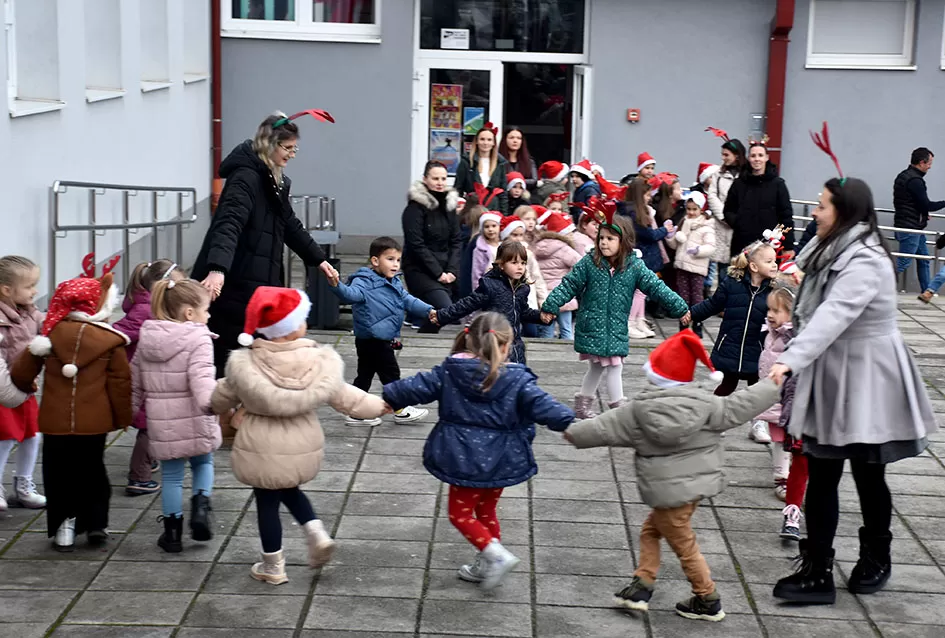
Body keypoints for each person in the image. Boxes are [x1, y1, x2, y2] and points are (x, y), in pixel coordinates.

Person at [770, 178, 937, 605]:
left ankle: (876, 558)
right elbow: (812, 295)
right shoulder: (828, 247)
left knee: (868, 474)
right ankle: (817, 572)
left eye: (823, 205)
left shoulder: (866, 259)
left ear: (843, 212)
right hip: (832, 372)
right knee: (823, 472)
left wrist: (792, 358)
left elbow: (835, 313)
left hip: (868, 377)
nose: (816, 212)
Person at [565, 330, 780, 622]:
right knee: (652, 530)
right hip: (696, 489)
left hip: (666, 493)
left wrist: (570, 432)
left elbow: (600, 428)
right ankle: (642, 584)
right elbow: (744, 403)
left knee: (683, 544)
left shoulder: (636, 412)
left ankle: (707, 598)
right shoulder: (710, 405)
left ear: (654, 375)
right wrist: (772, 383)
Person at [382, 312, 573, 591]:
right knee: (486, 509)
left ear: (468, 339)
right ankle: (486, 563)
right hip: (503, 459)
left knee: (460, 514)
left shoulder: (450, 372)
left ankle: (495, 556)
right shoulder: (518, 380)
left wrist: (390, 397)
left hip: (464, 459)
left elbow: (416, 387)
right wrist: (570, 424)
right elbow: (544, 406)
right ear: (506, 347)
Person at [211, 287, 388, 584]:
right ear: (295, 327)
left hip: (260, 444)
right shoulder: (318, 361)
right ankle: (316, 532)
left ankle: (273, 565)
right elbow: (347, 397)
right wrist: (381, 405)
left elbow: (221, 396)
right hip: (302, 441)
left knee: (267, 501)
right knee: (290, 488)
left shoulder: (246, 365)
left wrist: (209, 406)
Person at [191, 111, 339, 375]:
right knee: (229, 355)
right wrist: (217, 269)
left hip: (261, 279)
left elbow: (289, 224)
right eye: (287, 148)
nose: (292, 154)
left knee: (253, 354)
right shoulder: (245, 178)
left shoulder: (276, 180)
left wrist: (318, 259)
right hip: (237, 280)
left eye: (295, 149)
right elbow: (228, 224)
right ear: (269, 145)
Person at [12, 264, 132, 552]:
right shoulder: (110, 342)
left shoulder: (49, 337)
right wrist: (122, 418)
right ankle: (96, 524)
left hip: (55, 421)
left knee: (59, 473)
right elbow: (120, 385)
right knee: (93, 469)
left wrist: (30, 386)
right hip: (95, 421)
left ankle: (64, 529)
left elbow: (21, 374)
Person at [541, 209, 688, 418]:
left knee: (599, 367)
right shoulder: (590, 262)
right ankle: (618, 409)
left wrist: (680, 307)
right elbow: (569, 285)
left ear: (623, 241)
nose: (604, 243)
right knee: (612, 366)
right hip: (593, 324)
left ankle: (583, 406)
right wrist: (550, 306)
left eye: (610, 239)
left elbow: (656, 287)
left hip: (616, 326)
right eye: (601, 238)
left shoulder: (634, 266)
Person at [132, 279, 220, 553]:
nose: (209, 316)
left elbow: (134, 382)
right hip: (196, 416)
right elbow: (202, 378)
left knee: (171, 477)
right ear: (189, 313)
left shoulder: (147, 339)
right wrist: (212, 405)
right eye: (206, 310)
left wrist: (127, 412)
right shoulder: (199, 338)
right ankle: (200, 509)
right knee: (203, 463)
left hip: (163, 424)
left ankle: (172, 535)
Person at [328, 236, 434, 426]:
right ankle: (400, 409)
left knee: (365, 376)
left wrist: (428, 311)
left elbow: (408, 300)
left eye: (398, 260)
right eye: (390, 259)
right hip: (373, 338)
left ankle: (356, 413)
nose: (395, 264)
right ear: (375, 261)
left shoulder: (394, 282)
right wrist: (336, 285)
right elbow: (350, 295)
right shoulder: (364, 281)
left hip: (380, 337)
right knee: (390, 373)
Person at [115, 259, 181, 497]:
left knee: (151, 423)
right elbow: (117, 332)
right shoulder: (145, 311)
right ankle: (139, 477)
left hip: (148, 375)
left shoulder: (150, 306)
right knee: (151, 425)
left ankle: (148, 461)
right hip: (144, 377)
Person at [684, 240, 777, 408]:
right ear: (754, 266)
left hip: (756, 349)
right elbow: (713, 304)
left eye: (775, 261)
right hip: (731, 346)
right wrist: (692, 313)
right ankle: (712, 412)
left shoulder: (773, 291)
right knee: (728, 384)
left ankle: (758, 420)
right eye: (769, 261)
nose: (775, 265)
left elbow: (782, 313)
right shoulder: (732, 284)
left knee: (756, 388)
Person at [433, 240, 547, 364]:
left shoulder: (522, 288)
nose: (520, 267)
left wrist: (540, 316)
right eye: (514, 263)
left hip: (515, 347)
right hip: (494, 344)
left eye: (523, 263)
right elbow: (466, 304)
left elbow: (523, 312)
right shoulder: (490, 286)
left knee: (517, 373)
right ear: (502, 265)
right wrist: (441, 315)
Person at [0, 256, 45, 510]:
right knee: (5, 438)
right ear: (7, 290)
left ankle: (24, 485)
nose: (35, 291)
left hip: (26, 387)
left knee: (32, 436)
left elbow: (45, 326)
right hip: (4, 390)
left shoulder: (29, 311)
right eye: (29, 286)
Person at [402, 161, 463, 332]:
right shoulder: (414, 208)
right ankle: (420, 320)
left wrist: (451, 271)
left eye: (443, 178)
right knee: (445, 310)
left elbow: (456, 241)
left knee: (453, 312)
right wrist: (438, 273)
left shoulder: (449, 206)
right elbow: (416, 244)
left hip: (446, 269)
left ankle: (416, 316)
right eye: (435, 178)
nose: (440, 183)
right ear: (425, 179)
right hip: (419, 268)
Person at [752, 284, 798, 503]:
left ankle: (791, 475)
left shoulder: (792, 337)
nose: (770, 314)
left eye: (776, 311)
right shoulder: (772, 332)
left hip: (789, 400)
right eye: (769, 309)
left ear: (791, 313)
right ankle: (781, 478)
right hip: (773, 398)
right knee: (779, 440)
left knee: (790, 440)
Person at [723, 143, 794, 258]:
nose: (757, 159)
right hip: (742, 243)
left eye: (760, 155)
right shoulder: (739, 184)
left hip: (769, 244)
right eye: (753, 156)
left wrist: (788, 245)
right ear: (748, 158)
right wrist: (740, 223)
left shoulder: (778, 184)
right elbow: (728, 210)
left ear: (767, 157)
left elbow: (786, 216)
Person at [624, 179, 673, 339]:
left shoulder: (637, 211)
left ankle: (639, 320)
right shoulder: (632, 213)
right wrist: (664, 230)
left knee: (642, 292)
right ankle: (630, 322)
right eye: (646, 195)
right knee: (639, 292)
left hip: (646, 258)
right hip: (641, 257)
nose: (649, 197)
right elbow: (649, 235)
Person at [894, 148, 943, 293]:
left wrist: (923, 213)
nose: (930, 167)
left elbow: (908, 202)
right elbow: (926, 205)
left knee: (923, 259)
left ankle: (927, 292)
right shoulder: (915, 181)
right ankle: (873, 285)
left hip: (910, 225)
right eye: (929, 163)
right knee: (903, 262)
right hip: (910, 228)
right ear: (922, 162)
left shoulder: (903, 176)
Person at [667, 192, 716, 329]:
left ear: (701, 209)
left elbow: (711, 247)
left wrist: (698, 250)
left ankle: (697, 323)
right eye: (689, 209)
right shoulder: (683, 222)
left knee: (696, 295)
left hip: (697, 267)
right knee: (683, 296)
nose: (691, 212)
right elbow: (675, 245)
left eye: (695, 209)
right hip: (682, 265)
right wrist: (671, 236)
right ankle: (683, 323)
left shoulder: (706, 226)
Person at [532, 212, 582, 340]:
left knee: (547, 331)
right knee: (566, 330)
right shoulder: (564, 249)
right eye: (569, 232)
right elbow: (581, 265)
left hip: (545, 296)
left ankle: (543, 351)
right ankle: (567, 352)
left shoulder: (536, 247)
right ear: (562, 233)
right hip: (562, 294)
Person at [707, 138, 748, 293]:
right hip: (722, 224)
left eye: (726, 155)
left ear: (737, 155)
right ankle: (723, 298)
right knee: (723, 266)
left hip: (740, 225)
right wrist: (724, 216)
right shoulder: (718, 174)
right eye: (722, 154)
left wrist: (737, 217)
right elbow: (712, 195)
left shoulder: (746, 175)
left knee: (740, 264)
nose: (723, 158)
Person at [454, 123, 510, 214]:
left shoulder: (500, 163)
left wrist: (504, 215)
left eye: (489, 140)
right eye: (482, 139)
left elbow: (503, 193)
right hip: (472, 210)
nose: (485, 143)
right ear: (477, 141)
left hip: (493, 211)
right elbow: (457, 189)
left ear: (493, 143)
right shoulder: (467, 162)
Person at [471, 211, 503, 291]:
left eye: (494, 226)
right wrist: (478, 291)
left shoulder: (505, 245)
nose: (490, 229)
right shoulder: (480, 250)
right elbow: (476, 274)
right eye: (486, 227)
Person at [499, 126, 537, 192]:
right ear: (505, 140)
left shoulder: (529, 162)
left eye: (519, 138)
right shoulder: (498, 160)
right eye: (511, 138)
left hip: (524, 195)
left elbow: (534, 181)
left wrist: (514, 179)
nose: (515, 141)